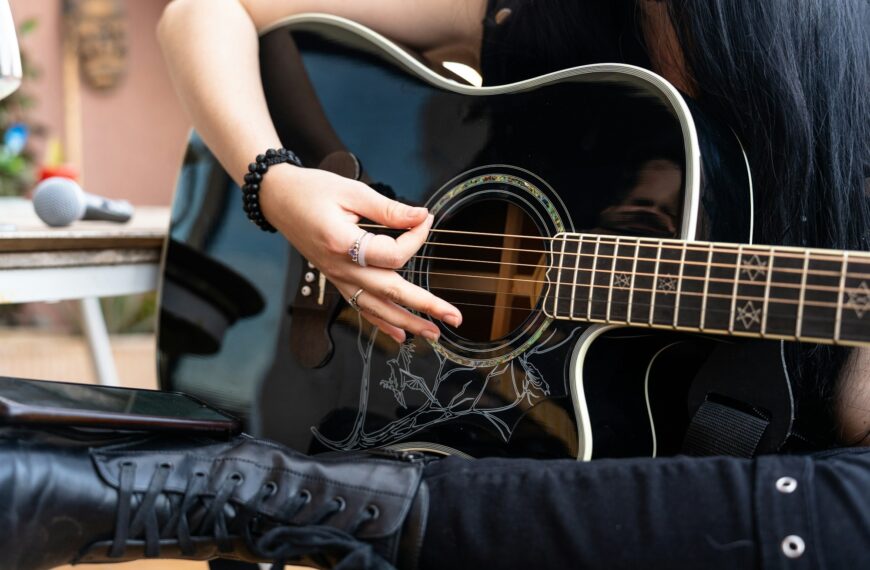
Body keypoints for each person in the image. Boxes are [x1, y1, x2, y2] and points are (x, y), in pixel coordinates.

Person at [0, 1, 868, 569]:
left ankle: (236, 494)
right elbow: (207, 11)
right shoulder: (534, 11)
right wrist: (277, 182)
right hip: (345, 357)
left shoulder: (843, 81)